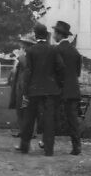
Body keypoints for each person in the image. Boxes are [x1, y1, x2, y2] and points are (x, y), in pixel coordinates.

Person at [17, 23, 64, 156]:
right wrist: (58, 83)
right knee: (49, 119)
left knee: (29, 118)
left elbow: (28, 72)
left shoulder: (31, 51)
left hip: (34, 89)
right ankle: (49, 150)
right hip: (50, 89)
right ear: (46, 34)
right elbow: (61, 68)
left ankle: (24, 147)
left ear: (36, 34)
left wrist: (26, 90)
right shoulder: (53, 49)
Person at [53, 20, 83, 155]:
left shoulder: (57, 50)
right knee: (72, 119)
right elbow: (77, 72)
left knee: (52, 116)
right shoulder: (75, 51)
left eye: (55, 32)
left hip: (60, 88)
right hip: (73, 89)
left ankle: (47, 143)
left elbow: (56, 71)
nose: (54, 35)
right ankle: (76, 147)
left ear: (59, 35)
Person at [8, 35, 35, 136]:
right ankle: (22, 130)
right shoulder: (25, 55)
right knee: (20, 109)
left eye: (25, 44)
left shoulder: (29, 56)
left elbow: (27, 66)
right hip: (20, 86)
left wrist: (20, 56)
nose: (23, 46)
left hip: (26, 87)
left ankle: (29, 132)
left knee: (26, 109)